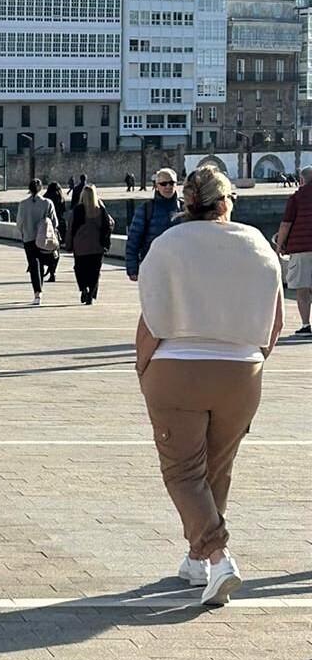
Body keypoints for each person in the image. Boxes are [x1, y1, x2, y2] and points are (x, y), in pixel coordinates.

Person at [136, 166, 284, 606]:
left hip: (177, 368)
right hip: (242, 371)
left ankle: (219, 559)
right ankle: (196, 560)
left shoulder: (168, 244)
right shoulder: (256, 243)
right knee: (216, 469)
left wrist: (143, 368)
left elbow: (151, 320)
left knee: (183, 472)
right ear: (224, 202)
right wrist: (253, 361)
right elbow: (275, 323)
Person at [125, 168, 182, 282]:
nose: (168, 186)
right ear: (156, 186)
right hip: (153, 267)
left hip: (180, 268)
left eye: (171, 183)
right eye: (163, 184)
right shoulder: (146, 209)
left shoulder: (185, 208)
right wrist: (132, 268)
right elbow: (133, 241)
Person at [275, 165, 312, 335]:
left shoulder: (297, 198)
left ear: (302, 180)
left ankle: (305, 325)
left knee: (302, 288)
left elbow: (286, 224)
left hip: (301, 248)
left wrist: (279, 245)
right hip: (302, 246)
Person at [65, 184, 114, 305]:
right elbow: (108, 226)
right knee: (95, 271)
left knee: (80, 269)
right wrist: (106, 243)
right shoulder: (100, 210)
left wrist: (69, 244)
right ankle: (91, 293)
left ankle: (83, 288)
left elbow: (71, 228)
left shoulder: (77, 210)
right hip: (97, 246)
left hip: (80, 246)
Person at [16, 178, 58, 306]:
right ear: (41, 189)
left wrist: (24, 232)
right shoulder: (47, 203)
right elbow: (54, 222)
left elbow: (19, 224)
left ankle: (37, 293)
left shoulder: (23, 204)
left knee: (34, 265)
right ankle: (40, 288)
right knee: (41, 264)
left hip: (29, 239)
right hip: (43, 239)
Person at [42, 181, 66, 283]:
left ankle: (44, 268)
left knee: (44, 248)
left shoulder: (46, 198)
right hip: (59, 226)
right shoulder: (61, 197)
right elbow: (63, 211)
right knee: (56, 249)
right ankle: (53, 272)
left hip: (47, 226)